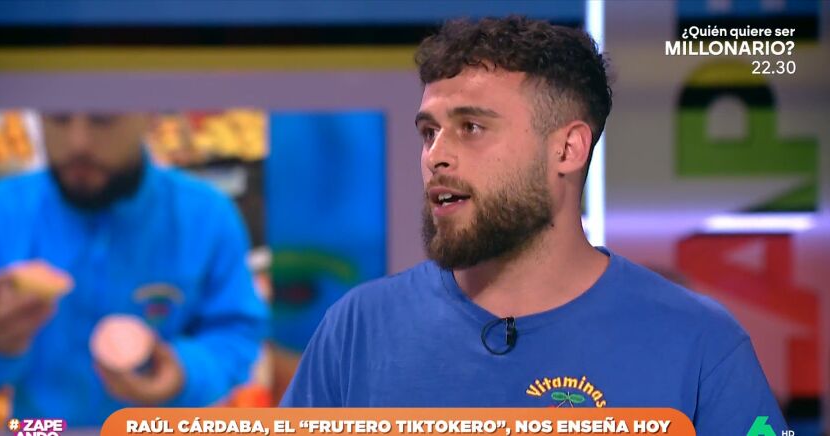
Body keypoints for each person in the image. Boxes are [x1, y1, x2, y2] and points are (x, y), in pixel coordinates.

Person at [280, 16, 786, 435]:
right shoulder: (357, 330)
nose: (436, 156)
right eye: (429, 132)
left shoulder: (699, 343)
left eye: (471, 127)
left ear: (567, 149)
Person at [0, 113, 268, 427]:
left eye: (103, 118)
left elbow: (237, 335)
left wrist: (184, 375)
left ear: (148, 115)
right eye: (58, 118)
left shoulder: (207, 215)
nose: (78, 143)